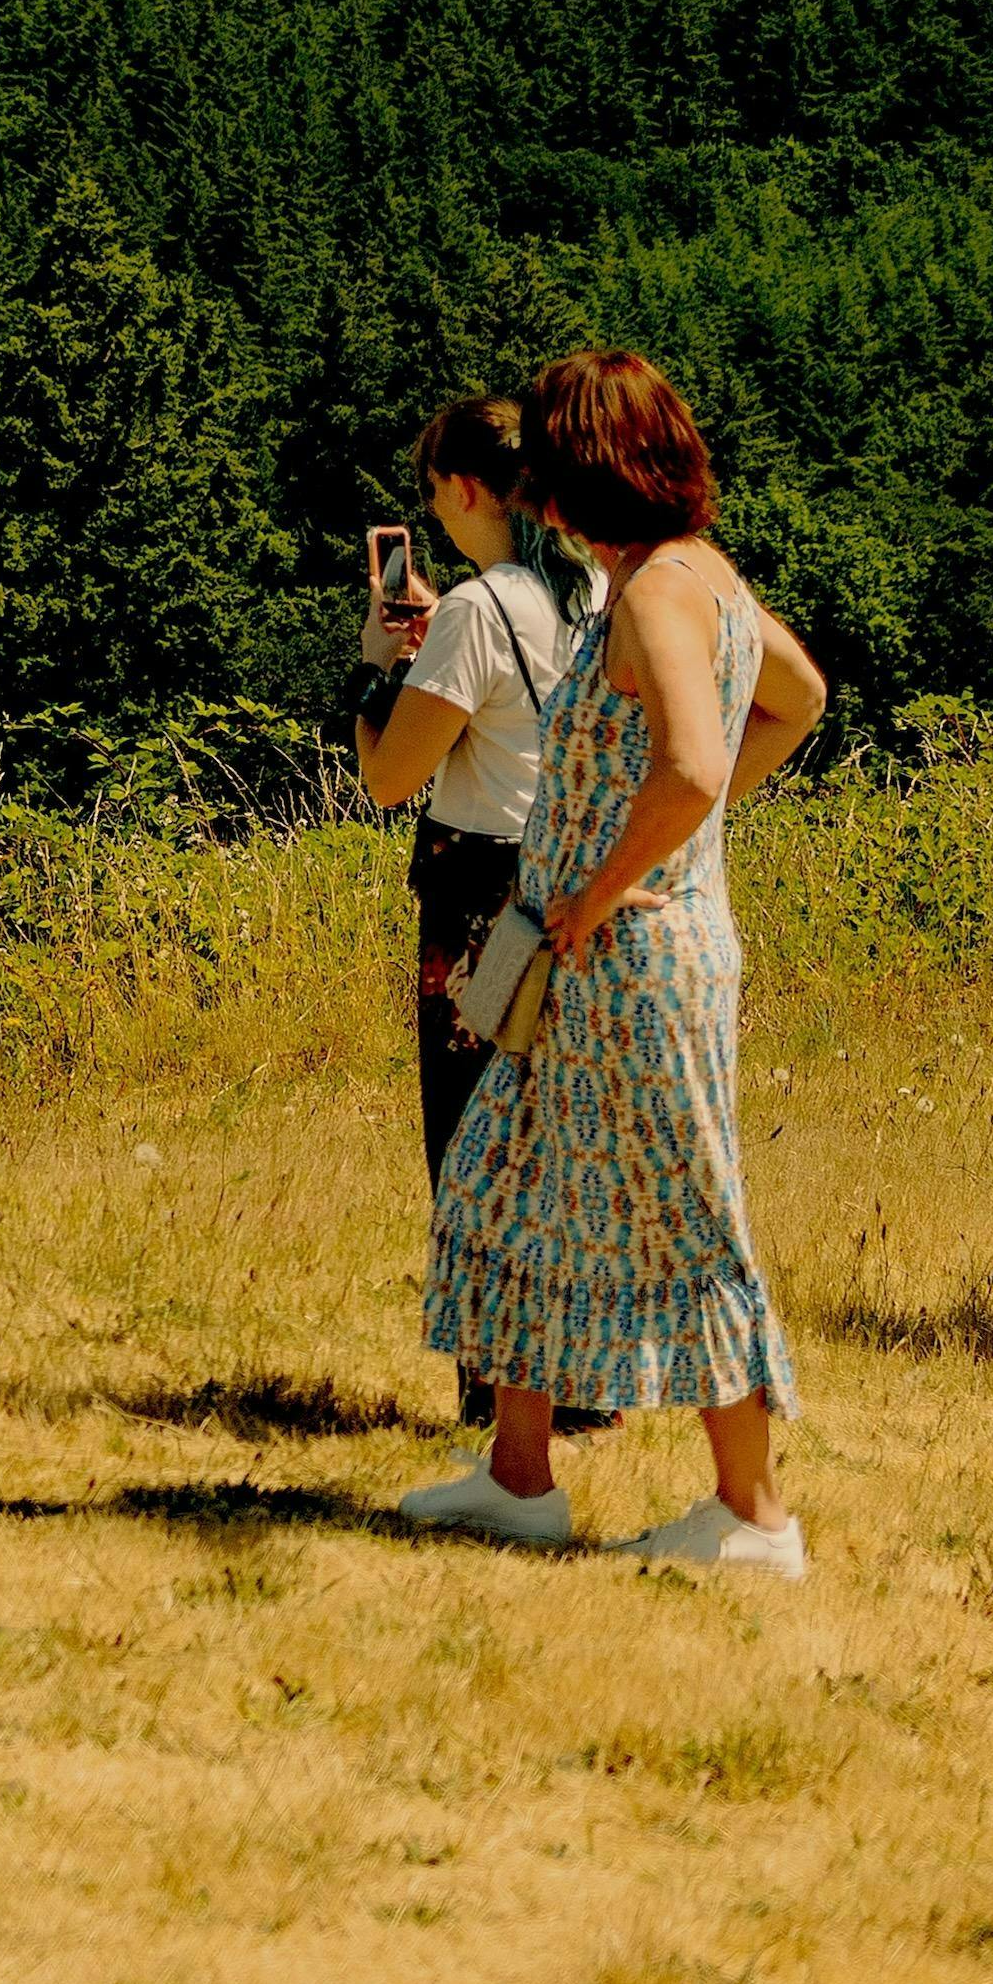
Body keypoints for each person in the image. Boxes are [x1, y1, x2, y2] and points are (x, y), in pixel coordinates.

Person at [403, 346, 826, 1579]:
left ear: (595, 470)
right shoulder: (703, 578)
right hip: (607, 950)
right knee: (511, 1182)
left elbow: (692, 765)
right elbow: (798, 700)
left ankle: (752, 1517)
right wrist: (662, 859)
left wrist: (608, 884)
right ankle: (518, 1476)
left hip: (627, 956)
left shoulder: (651, 596)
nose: (534, 493)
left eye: (548, 466)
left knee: (685, 1213)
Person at [355, 391, 578, 1204]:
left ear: (466, 489)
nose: (435, 512)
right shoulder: (589, 586)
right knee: (553, 1127)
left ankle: (492, 1309)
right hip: (579, 882)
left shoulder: (478, 612)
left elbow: (389, 778)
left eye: (433, 491)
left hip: (488, 907)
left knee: (475, 1130)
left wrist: (379, 668)